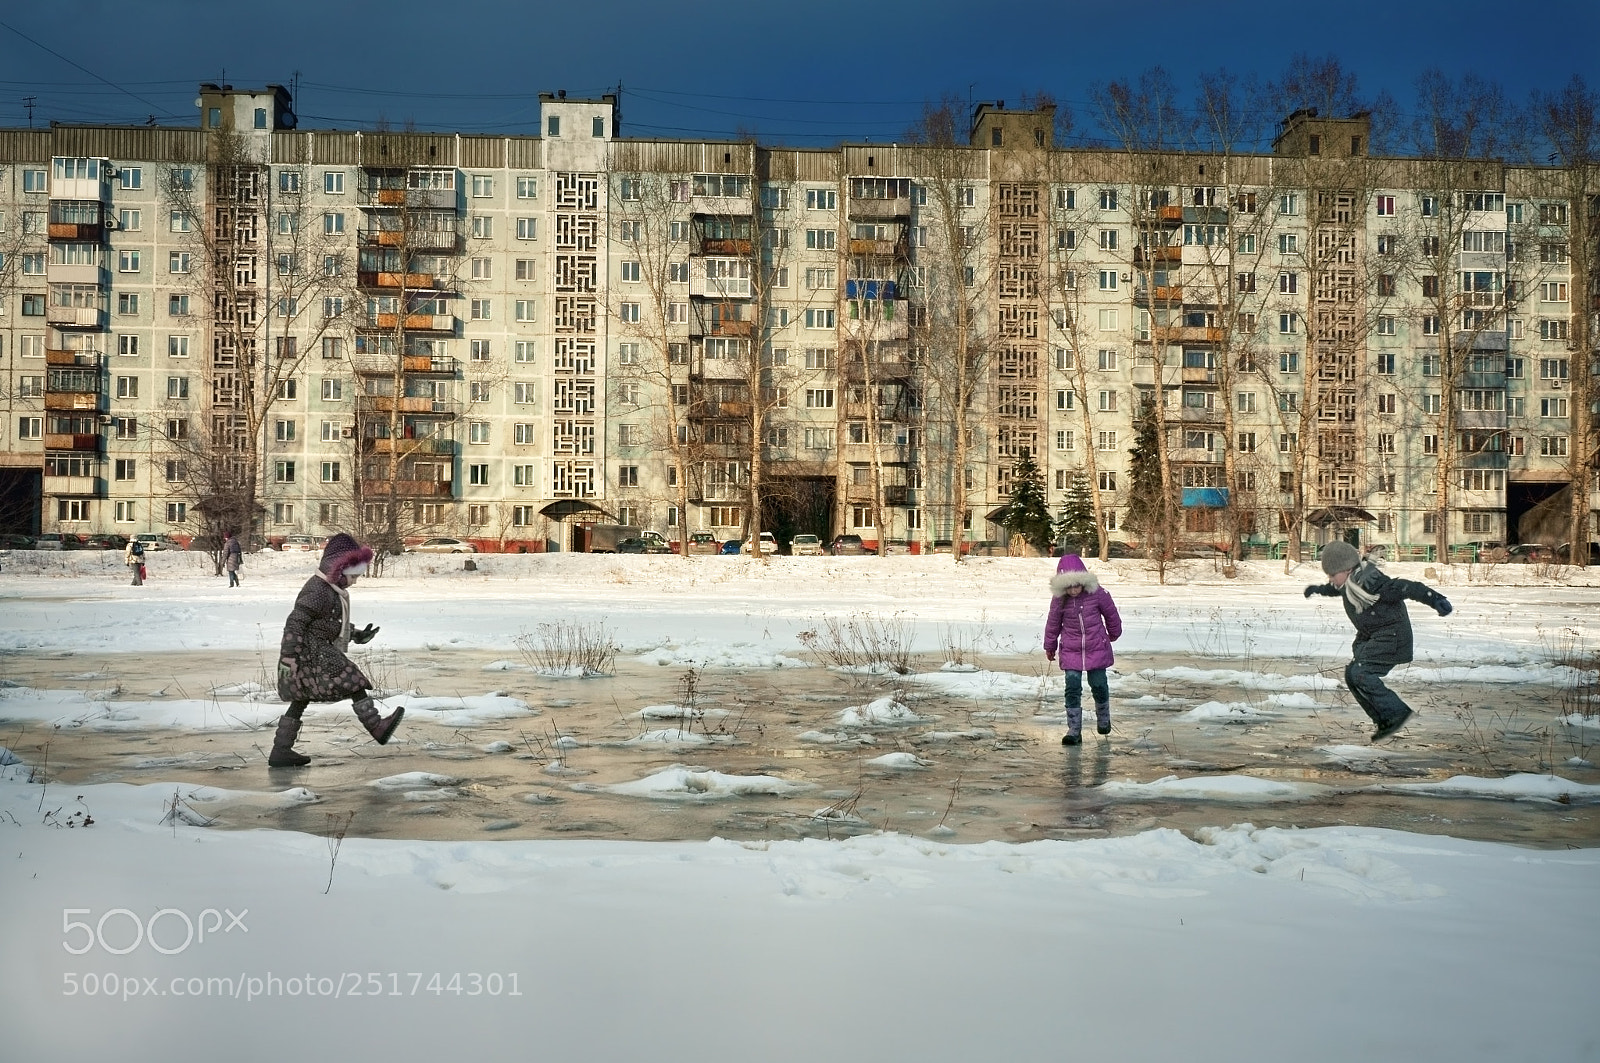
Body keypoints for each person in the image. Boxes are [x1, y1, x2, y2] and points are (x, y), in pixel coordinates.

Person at [268, 532, 403, 768]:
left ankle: (281, 750)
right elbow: (296, 621)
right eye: (353, 576)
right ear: (339, 570)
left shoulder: (330, 589)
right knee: (353, 680)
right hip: (311, 651)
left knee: (301, 699)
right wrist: (289, 656)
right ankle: (377, 727)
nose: (355, 581)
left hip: (315, 650)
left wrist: (357, 634)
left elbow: (330, 623)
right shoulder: (319, 590)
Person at [1304, 540, 1453, 742]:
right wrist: (1317, 589)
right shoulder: (1349, 584)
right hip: (1375, 637)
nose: (1330, 579)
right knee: (1352, 674)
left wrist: (1435, 599)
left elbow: (1408, 587)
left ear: (1347, 569)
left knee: (1360, 672)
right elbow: (1334, 589)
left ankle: (1396, 713)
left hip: (1392, 637)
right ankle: (1383, 720)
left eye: (1332, 574)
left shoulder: (1373, 583)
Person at [1043, 553, 1123, 746]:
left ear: (1084, 581)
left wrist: (1114, 632)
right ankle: (1074, 730)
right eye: (1068, 587)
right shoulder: (1059, 600)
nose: (1073, 590)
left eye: (1076, 585)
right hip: (1071, 649)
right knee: (1072, 687)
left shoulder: (1098, 594)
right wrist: (1050, 645)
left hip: (1096, 647)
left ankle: (1103, 719)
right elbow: (1053, 623)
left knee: (1099, 684)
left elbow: (1111, 614)